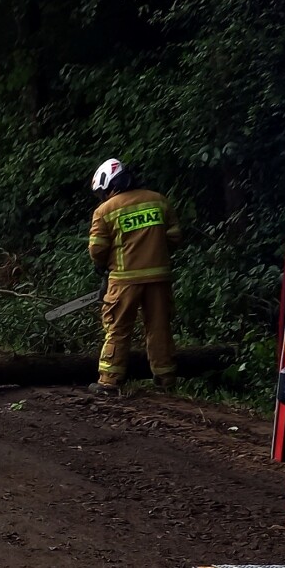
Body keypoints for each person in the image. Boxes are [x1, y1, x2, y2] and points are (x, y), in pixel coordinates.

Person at [85, 157, 183, 396]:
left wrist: (103, 266)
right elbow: (175, 237)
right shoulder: (158, 200)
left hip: (124, 280)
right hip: (158, 277)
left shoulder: (105, 211)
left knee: (117, 329)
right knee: (159, 329)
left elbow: (97, 249)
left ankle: (109, 381)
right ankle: (166, 380)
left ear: (109, 184)